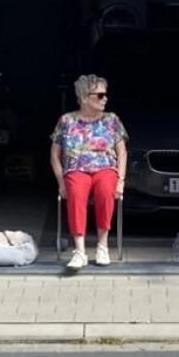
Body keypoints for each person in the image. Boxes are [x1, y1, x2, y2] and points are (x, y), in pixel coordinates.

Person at [49, 74, 128, 270]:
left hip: (105, 167)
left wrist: (121, 179)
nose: (105, 98)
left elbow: (122, 153)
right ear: (85, 97)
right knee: (75, 191)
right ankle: (80, 251)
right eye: (100, 95)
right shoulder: (66, 120)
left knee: (105, 190)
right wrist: (61, 182)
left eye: (105, 95)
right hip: (76, 168)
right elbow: (54, 155)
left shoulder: (112, 120)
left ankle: (102, 246)